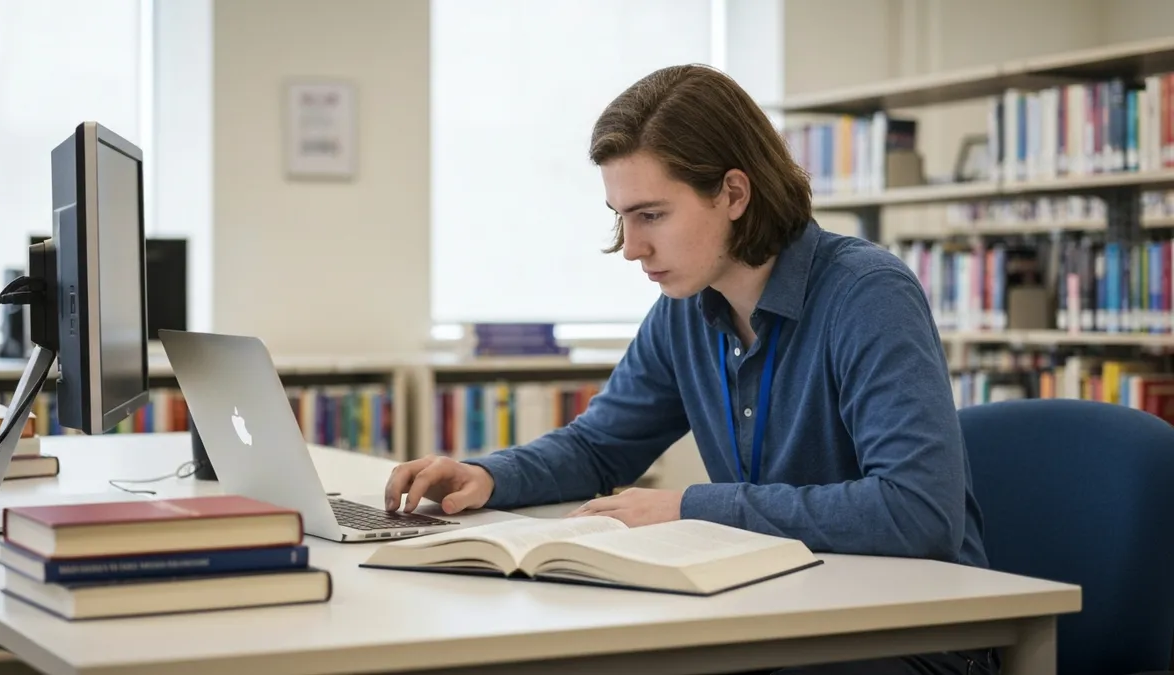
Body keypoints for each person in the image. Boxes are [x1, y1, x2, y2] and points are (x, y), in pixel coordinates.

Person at [384, 64, 996, 675]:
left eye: (651, 215)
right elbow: (600, 448)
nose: (630, 247)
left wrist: (692, 507)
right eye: (620, 216)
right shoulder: (684, 309)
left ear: (733, 193)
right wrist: (488, 475)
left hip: (907, 635)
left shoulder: (867, 295)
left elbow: (917, 513)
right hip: (781, 611)